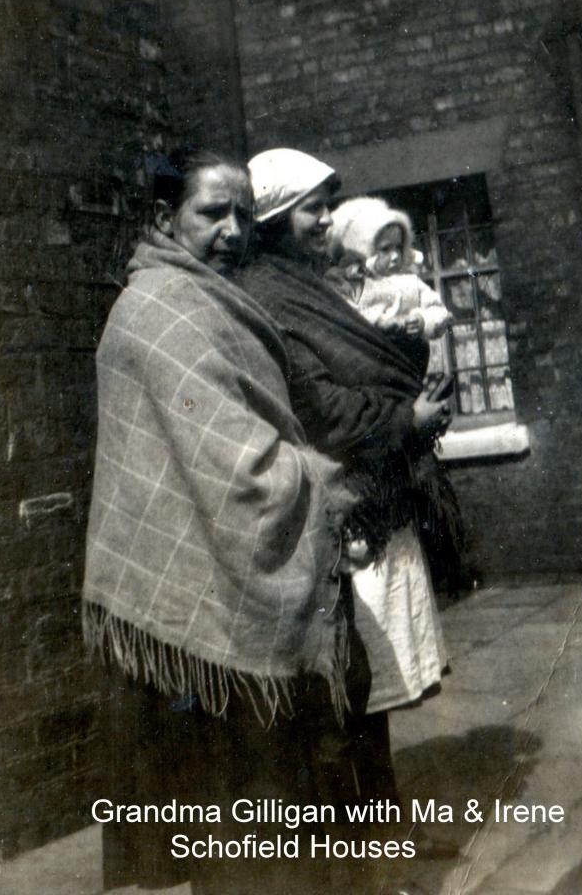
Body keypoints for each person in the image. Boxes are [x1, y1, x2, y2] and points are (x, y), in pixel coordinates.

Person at [82, 149, 361, 895]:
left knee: (255, 826)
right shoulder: (153, 314)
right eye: (212, 213)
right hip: (191, 614)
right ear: (165, 219)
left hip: (230, 592)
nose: (233, 230)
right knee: (239, 828)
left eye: (243, 213)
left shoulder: (219, 300)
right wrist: (321, 480)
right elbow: (238, 470)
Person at [237, 149, 457, 874]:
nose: (327, 218)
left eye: (330, 203)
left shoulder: (312, 282)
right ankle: (358, 861)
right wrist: (407, 413)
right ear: (272, 219)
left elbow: (369, 357)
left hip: (371, 500)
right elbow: (321, 407)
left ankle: (384, 837)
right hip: (336, 512)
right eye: (312, 207)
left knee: (372, 695)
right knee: (345, 698)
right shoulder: (269, 294)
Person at [326, 195, 453, 341]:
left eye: (398, 247)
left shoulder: (410, 282)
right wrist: (380, 322)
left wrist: (422, 320)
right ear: (362, 250)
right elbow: (343, 313)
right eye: (385, 249)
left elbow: (438, 309)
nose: (395, 256)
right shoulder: (348, 281)